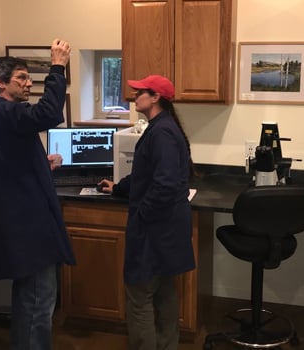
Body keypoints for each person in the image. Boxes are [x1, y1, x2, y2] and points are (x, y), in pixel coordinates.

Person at [0, 38, 75, 350]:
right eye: (21, 78)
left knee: (31, 300)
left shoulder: (3, 115)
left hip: (26, 221)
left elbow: (10, 162)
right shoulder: (2, 111)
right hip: (27, 226)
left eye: (29, 77)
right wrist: (57, 66)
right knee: (38, 302)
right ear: (0, 82)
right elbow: (46, 114)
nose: (28, 82)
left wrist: (41, 164)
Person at [98, 75, 195, 350]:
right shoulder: (163, 127)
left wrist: (142, 215)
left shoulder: (161, 132)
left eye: (140, 92)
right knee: (164, 292)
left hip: (156, 227)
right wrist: (119, 187)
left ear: (156, 98)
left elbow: (163, 184)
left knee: (139, 296)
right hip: (169, 227)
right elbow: (146, 174)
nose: (134, 95)